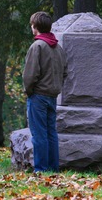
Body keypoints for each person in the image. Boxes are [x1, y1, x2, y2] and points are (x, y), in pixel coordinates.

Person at [22, 11, 67, 173]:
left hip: (38, 96)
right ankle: (53, 168)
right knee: (51, 133)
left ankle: (40, 169)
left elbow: (30, 74)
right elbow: (65, 72)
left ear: (35, 27)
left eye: (32, 25)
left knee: (39, 134)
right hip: (52, 95)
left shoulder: (37, 46)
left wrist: (29, 91)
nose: (31, 28)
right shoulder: (58, 48)